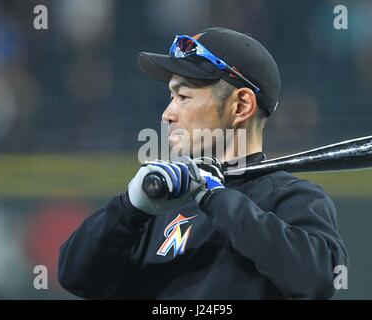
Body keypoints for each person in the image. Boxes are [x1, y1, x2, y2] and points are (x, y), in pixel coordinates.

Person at [58, 27, 348, 299]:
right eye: (170, 96)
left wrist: (215, 196)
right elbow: (75, 277)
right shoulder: (157, 204)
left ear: (241, 106)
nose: (167, 114)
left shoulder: (290, 197)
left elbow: (319, 279)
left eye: (183, 96)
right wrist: (128, 209)